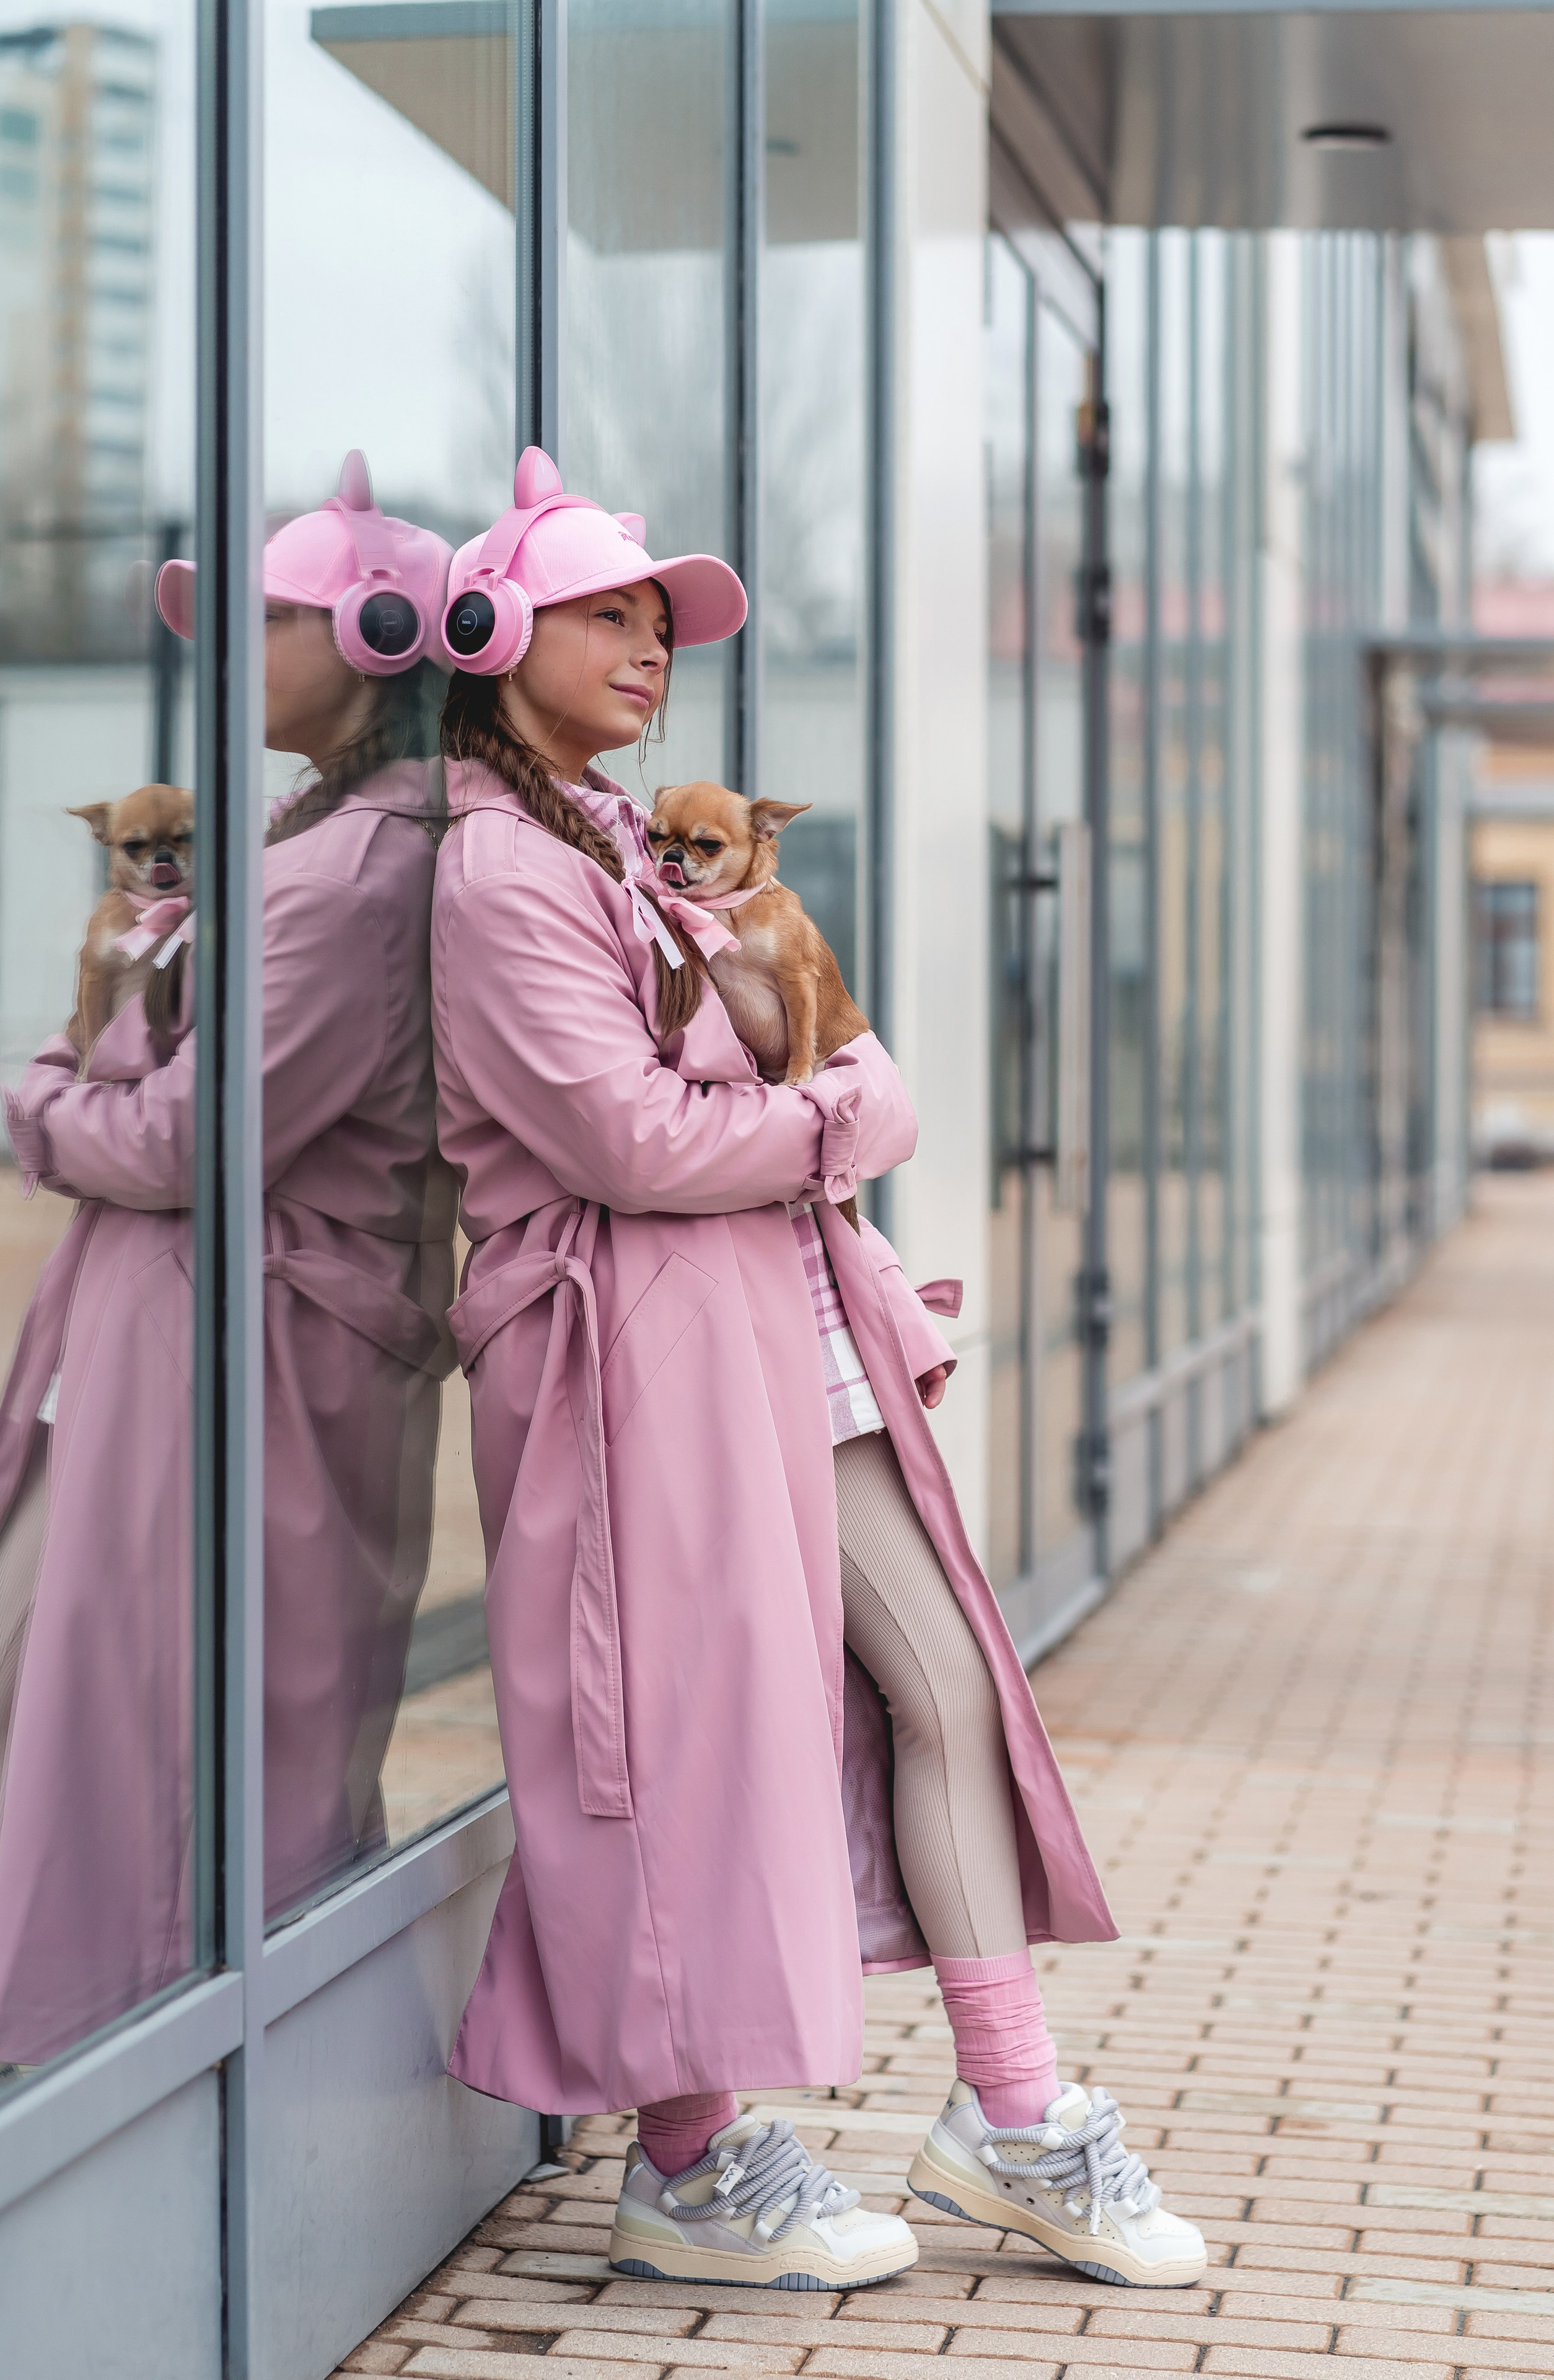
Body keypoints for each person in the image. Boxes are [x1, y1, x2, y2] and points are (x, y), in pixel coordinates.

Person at [433, 446, 1207, 2291]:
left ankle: (1013, 2117)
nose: (649, 650)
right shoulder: (493, 870)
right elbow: (636, 1138)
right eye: (609, 612)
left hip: (785, 1322)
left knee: (942, 1682)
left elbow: (819, 1059)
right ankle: (688, 2159)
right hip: (640, 1362)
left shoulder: (624, 837)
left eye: (661, 623)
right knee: (676, 1740)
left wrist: (810, 1099)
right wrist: (819, 1111)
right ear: (491, 632)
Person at [0, 457, 455, 2073]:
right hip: (212, 1334)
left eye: (269, 617)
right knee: (90, 1687)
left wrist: (39, 1103)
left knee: (140, 1717)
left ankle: (114, 2061)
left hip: (227, 1347)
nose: (233, 647)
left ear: (386, 638)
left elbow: (187, 1143)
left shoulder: (339, 876)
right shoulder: (315, 843)